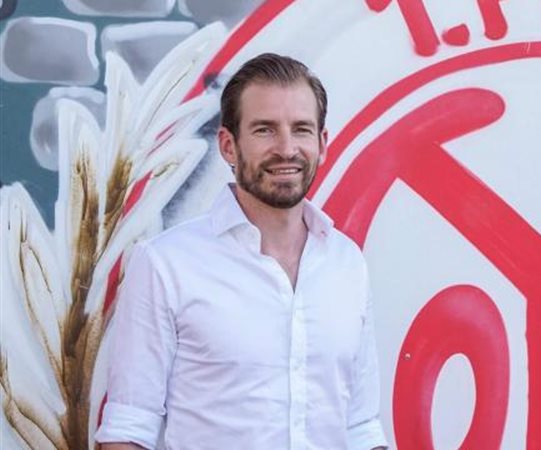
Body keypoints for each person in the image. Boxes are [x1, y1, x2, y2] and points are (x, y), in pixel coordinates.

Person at [96, 53, 388, 450]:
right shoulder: (166, 264)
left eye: (301, 129)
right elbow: (129, 428)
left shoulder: (346, 262)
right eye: (265, 130)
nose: (286, 149)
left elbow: (361, 427)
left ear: (321, 144)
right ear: (228, 146)